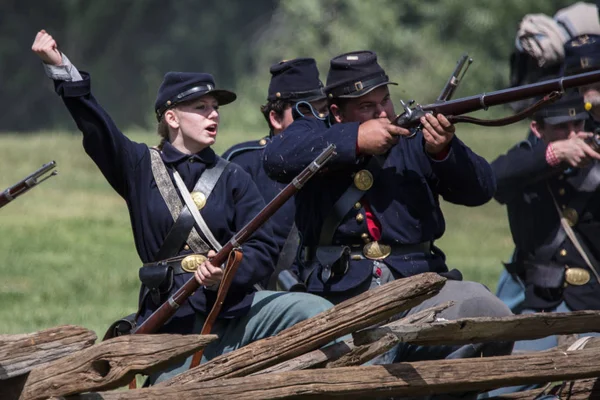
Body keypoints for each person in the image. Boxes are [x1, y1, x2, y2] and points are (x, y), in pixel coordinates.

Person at [31, 29, 334, 384]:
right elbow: (97, 125)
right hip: (170, 322)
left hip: (232, 313)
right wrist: (61, 68)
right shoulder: (139, 166)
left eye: (215, 108)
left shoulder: (233, 176)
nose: (214, 116)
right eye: (201, 107)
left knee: (314, 310)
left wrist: (227, 273)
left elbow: (263, 248)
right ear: (171, 118)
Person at [263, 50, 513, 398]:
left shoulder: (415, 138)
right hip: (344, 292)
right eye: (367, 107)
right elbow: (277, 157)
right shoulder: (318, 133)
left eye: (384, 101)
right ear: (337, 112)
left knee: (491, 313)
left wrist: (444, 150)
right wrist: (355, 139)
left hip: (421, 283)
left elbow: (482, 188)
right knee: (369, 373)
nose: (383, 113)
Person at [486, 90, 600, 396]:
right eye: (562, 128)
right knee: (498, 391)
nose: (574, 136)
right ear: (537, 129)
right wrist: (553, 156)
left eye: (579, 127)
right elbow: (492, 180)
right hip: (543, 308)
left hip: (594, 306)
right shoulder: (528, 162)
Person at [496, 3, 600, 314]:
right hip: (541, 295)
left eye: (595, 85)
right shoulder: (547, 132)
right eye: (581, 86)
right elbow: (497, 179)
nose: (590, 98)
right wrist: (556, 153)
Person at [222, 58, 328, 288]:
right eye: (305, 110)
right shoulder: (243, 163)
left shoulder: (337, 159)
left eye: (322, 110)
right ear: (276, 118)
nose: (318, 120)